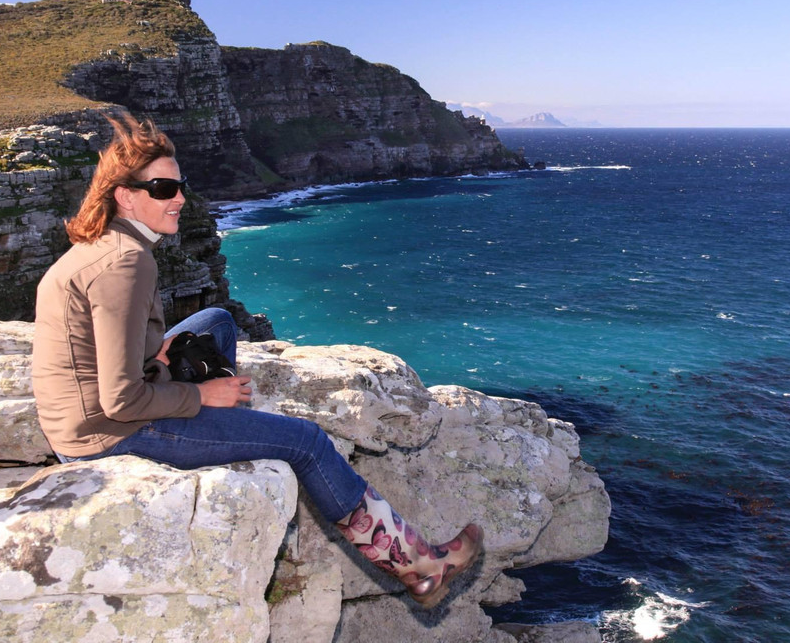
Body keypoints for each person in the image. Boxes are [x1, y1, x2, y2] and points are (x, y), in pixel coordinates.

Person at [30, 114, 482, 609]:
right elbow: (118, 400)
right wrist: (201, 395)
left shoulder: (106, 244)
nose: (179, 198)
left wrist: (149, 354)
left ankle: (220, 428)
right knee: (307, 442)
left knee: (217, 322)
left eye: (181, 185)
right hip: (106, 436)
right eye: (162, 188)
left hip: (82, 415)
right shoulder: (125, 263)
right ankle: (417, 568)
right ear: (124, 195)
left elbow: (100, 349)